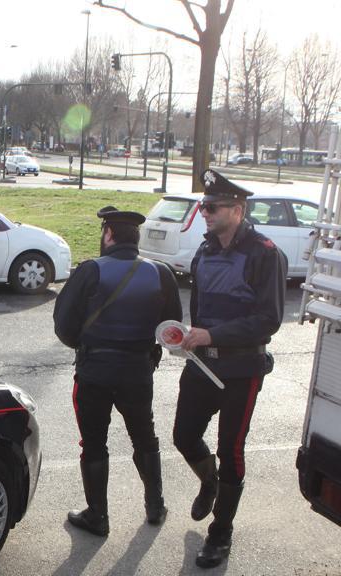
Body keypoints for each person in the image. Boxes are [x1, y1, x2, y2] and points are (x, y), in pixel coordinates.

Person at [174, 169, 286, 568]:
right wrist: (189, 337)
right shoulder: (205, 250)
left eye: (212, 206)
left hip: (242, 370)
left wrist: (211, 335)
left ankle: (221, 532)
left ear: (237, 210)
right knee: (184, 437)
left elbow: (269, 319)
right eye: (204, 205)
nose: (204, 211)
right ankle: (209, 482)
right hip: (201, 365)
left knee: (230, 450)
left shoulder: (265, 253)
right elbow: (200, 309)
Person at [53, 206, 183, 536]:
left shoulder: (90, 270)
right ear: (135, 237)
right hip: (137, 373)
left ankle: (98, 516)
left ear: (108, 234)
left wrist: (86, 346)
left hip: (95, 372)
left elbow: (64, 325)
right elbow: (170, 328)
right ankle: (155, 506)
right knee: (144, 438)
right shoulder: (161, 273)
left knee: (94, 443)